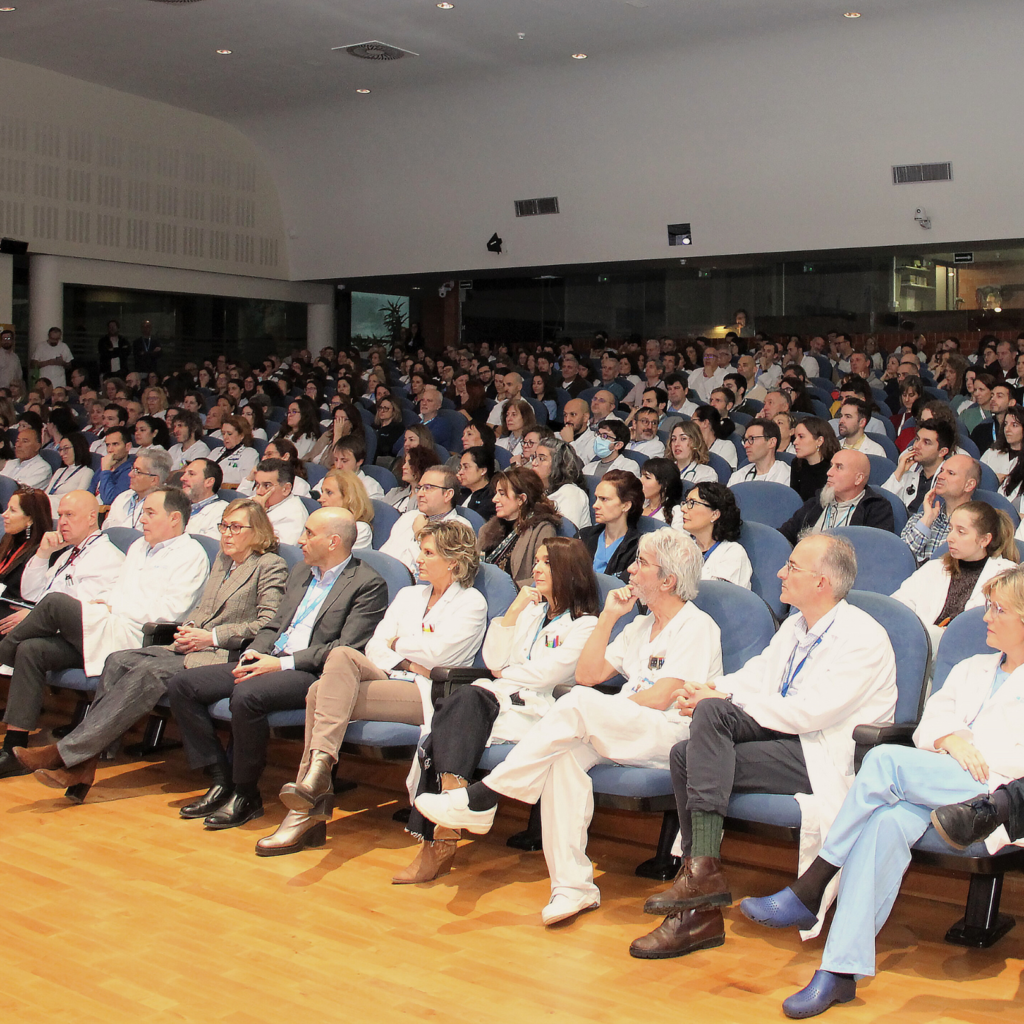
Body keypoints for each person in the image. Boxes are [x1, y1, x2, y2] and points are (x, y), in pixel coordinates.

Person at [740, 564, 1024, 1018]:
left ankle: (814, 882)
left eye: (999, 610)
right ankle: (839, 972)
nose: (986, 616)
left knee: (884, 761)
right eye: (988, 606)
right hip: (941, 782)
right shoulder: (972, 668)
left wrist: (965, 750)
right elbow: (929, 725)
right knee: (885, 824)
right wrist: (951, 740)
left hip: (994, 796)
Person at [415, 529, 722, 924]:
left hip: (670, 734)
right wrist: (609, 616)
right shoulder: (640, 626)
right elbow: (587, 674)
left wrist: (601, 710)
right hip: (625, 727)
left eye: (641, 563)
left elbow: (664, 696)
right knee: (564, 757)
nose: (630, 570)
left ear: (668, 581)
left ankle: (485, 795)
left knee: (579, 702)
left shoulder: (697, 626)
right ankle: (572, 887)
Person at [633, 533, 897, 960]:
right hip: (783, 737)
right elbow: (757, 676)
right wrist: (709, 688)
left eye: (792, 567)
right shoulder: (795, 625)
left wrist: (721, 697)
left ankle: (698, 896)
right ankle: (702, 880)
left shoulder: (863, 637)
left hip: (823, 754)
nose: (779, 573)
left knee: (696, 742)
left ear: (822, 582)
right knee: (692, 741)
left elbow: (810, 713)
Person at [14, 500, 289, 799]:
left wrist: (211, 637)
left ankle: (65, 755)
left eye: (236, 527)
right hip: (191, 645)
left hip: (225, 654)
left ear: (257, 531)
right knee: (117, 660)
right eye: (224, 526)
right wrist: (189, 628)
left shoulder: (269, 565)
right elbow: (203, 609)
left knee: (149, 671)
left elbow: (267, 623)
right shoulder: (223, 560)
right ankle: (85, 764)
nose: (226, 534)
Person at [258, 519, 488, 857]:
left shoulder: (472, 603)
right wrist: (407, 656)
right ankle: (316, 777)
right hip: (388, 675)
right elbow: (375, 647)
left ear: (453, 561)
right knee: (341, 655)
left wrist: (399, 647)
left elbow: (439, 657)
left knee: (319, 694)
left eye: (428, 553)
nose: (418, 559)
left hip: (430, 691)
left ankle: (308, 804)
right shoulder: (409, 595)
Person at [165, 508, 389, 830]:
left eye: (309, 533)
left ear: (333, 541)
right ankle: (220, 779)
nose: (300, 540)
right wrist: (254, 652)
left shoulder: (368, 584)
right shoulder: (301, 572)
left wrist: (280, 663)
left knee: (247, 695)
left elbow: (344, 649)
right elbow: (273, 625)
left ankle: (245, 795)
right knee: (183, 685)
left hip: (311, 673)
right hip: (269, 659)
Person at [397, 536, 601, 878]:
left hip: (537, 712)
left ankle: (438, 843)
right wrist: (514, 611)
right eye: (536, 561)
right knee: (460, 706)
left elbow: (547, 675)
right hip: (499, 702)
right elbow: (493, 659)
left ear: (570, 571)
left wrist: (506, 673)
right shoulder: (530, 612)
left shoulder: (585, 625)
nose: (536, 569)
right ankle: (454, 806)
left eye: (546, 563)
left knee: (446, 726)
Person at [0, 487, 210, 771]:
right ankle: (13, 748)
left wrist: (112, 606)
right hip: (109, 625)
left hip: (139, 638)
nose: (143, 519)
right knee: (31, 649)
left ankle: (3, 652)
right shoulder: (138, 547)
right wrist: (104, 603)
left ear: (174, 518)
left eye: (150, 513)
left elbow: (170, 613)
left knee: (55, 603)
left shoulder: (191, 555)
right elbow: (117, 591)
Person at [892, 501, 1018, 649]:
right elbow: (898, 605)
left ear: (984, 540)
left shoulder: (1006, 576)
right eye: (950, 529)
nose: (949, 538)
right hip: (920, 646)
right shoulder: (935, 567)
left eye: (961, 532)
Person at [779, 450, 895, 544]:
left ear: (858, 478)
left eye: (839, 467)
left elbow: (875, 552)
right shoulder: (816, 502)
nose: (829, 472)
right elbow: (783, 536)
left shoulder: (876, 509)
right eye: (831, 466)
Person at [479, 467, 562, 588]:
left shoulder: (542, 530)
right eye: (496, 493)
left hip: (518, 595)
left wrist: (508, 589)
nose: (494, 499)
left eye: (502, 494)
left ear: (521, 499)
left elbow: (543, 577)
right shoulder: (487, 530)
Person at [901, 454, 982, 564]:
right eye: (942, 471)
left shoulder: (978, 525)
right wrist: (927, 520)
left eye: (951, 473)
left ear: (969, 485)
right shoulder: (922, 517)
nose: (940, 476)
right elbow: (899, 558)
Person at [382, 464, 460, 573]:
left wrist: (420, 534)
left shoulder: (458, 529)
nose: (419, 494)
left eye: (427, 488)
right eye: (419, 488)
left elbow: (436, 572)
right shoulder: (409, 517)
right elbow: (383, 556)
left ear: (448, 494)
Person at [681, 482, 752, 587]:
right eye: (686, 502)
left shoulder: (732, 553)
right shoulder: (682, 547)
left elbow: (719, 595)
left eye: (692, 503)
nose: (683, 509)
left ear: (715, 514)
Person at [580, 469, 643, 581]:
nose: (595, 505)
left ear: (626, 506)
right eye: (596, 498)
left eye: (604, 499)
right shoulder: (583, 536)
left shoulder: (639, 548)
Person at [882, 419, 954, 516]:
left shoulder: (950, 480)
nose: (916, 446)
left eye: (926, 442)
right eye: (917, 439)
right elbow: (880, 504)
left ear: (942, 452)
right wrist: (899, 472)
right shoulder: (908, 474)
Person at [0, 488, 52, 616]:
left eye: (12, 510)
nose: (4, 514)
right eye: (7, 508)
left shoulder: (45, 550)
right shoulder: (8, 539)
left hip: (13, 613)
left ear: (30, 519)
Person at [103, 448, 172, 531]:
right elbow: (106, 527)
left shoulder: (165, 505)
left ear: (154, 480)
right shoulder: (123, 497)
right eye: (132, 469)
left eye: (137, 471)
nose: (130, 474)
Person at [532, 435, 591, 530]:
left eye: (541, 459)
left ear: (558, 464)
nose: (534, 463)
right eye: (534, 457)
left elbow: (566, 532)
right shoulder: (538, 490)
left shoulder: (571, 493)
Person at [252, 458, 308, 545]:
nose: (259, 491)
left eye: (267, 486)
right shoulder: (257, 500)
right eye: (257, 484)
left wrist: (258, 514)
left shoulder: (294, 516)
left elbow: (277, 549)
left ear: (286, 489)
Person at [317, 468, 374, 551]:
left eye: (329, 492)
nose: (321, 499)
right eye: (322, 492)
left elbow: (335, 557)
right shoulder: (319, 523)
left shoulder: (360, 530)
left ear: (347, 497)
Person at [788, 417, 840, 503]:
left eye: (801, 437)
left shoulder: (835, 467)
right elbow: (795, 501)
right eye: (795, 437)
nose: (795, 442)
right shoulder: (797, 464)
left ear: (819, 441)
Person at [728, 419, 791, 486]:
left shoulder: (787, 475)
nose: (745, 445)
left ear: (771, 442)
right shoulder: (738, 476)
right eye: (746, 440)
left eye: (752, 439)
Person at [43, 432, 94, 515]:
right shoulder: (59, 471)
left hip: (68, 509)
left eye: (66, 449)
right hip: (51, 505)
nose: (61, 454)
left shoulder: (87, 472)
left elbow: (78, 497)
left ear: (77, 448)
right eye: (60, 449)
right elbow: (46, 494)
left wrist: (52, 498)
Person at [181, 458, 229, 540]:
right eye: (184, 473)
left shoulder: (222, 512)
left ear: (209, 482)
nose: (182, 478)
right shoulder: (177, 505)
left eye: (191, 474)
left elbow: (211, 546)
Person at [1, 414, 52, 488]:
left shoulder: (42, 468)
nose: (18, 445)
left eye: (25, 441)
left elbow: (21, 490)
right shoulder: (10, 463)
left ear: (37, 446)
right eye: (17, 441)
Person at [209, 414, 259, 487]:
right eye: (223, 433)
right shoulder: (216, 451)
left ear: (241, 435)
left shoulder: (250, 453)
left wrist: (216, 478)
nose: (225, 437)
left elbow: (247, 476)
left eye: (229, 434)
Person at [330, 434, 384, 501]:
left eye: (344, 461)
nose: (338, 466)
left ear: (359, 462)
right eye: (336, 460)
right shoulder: (327, 481)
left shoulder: (371, 488)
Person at [971, 381, 1017, 457]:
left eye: (999, 396)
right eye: (992, 396)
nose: (992, 399)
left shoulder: (1019, 429)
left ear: (1011, 402)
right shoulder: (981, 430)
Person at [665, 421, 718, 485]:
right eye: (673, 439)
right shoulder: (664, 470)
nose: (676, 444)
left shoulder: (707, 473)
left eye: (683, 439)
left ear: (695, 442)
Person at [92, 425, 132, 506]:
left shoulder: (130, 471)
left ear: (127, 447)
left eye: (115, 444)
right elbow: (90, 492)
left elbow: (110, 500)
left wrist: (106, 471)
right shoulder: (104, 465)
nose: (110, 450)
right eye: (108, 445)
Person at [457, 445, 496, 521]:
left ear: (483, 471)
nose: (460, 472)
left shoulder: (491, 497)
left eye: (466, 467)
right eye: (460, 467)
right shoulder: (462, 493)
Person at [641, 457, 683, 528]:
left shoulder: (676, 512)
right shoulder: (637, 505)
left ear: (665, 484)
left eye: (647, 478)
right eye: (641, 476)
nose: (640, 480)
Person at [559, 397, 597, 465]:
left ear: (585, 417)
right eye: (565, 415)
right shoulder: (556, 436)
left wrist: (570, 442)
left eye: (573, 414)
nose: (567, 420)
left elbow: (583, 467)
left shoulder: (594, 441)